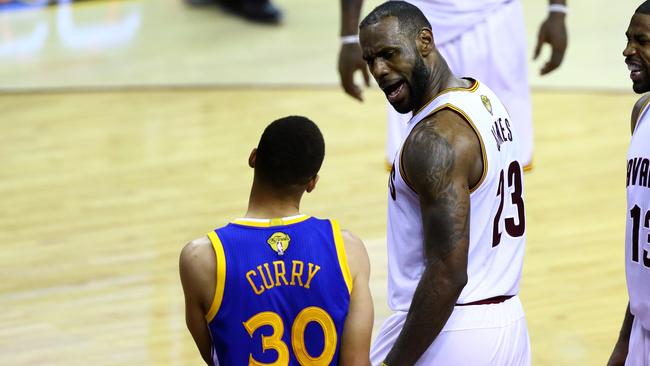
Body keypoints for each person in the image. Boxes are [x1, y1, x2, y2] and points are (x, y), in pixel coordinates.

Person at [359, 2, 529, 365]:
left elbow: (448, 273)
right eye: (370, 60)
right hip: (507, 322)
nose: (379, 71)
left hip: (452, 331)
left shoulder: (434, 140)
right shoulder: (483, 98)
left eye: (389, 54)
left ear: (425, 41)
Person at [179, 116, 373, 365]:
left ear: (253, 158)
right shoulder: (348, 250)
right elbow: (356, 362)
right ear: (312, 183)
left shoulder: (201, 259)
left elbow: (215, 355)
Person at [339, 0, 568, 170]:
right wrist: (349, 37)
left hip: (495, 18)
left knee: (503, 162)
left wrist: (558, 10)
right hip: (412, 25)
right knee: (417, 165)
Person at [608, 2, 650, 365]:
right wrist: (624, 342)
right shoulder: (641, 113)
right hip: (642, 329)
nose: (628, 51)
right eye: (628, 39)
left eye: (642, 41)